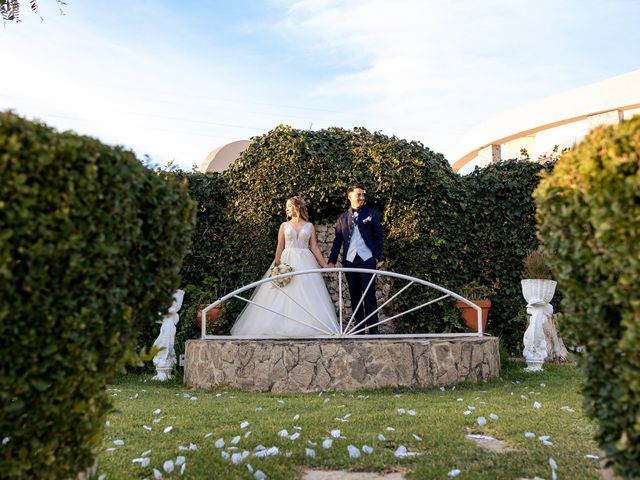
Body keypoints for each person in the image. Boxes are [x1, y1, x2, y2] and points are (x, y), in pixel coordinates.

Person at [230, 196, 340, 337]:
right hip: (287, 260)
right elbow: (279, 247)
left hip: (306, 262)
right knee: (284, 292)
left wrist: (324, 265)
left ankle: (309, 326)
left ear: (297, 207)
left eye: (289, 206)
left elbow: (315, 247)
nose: (287, 209)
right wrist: (276, 267)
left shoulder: (309, 226)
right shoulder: (284, 226)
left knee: (307, 292)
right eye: (286, 207)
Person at [327, 183, 384, 334]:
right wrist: (332, 261)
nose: (362, 197)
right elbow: (337, 241)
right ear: (350, 196)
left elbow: (379, 236)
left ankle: (373, 331)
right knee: (355, 295)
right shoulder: (342, 218)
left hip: (367, 259)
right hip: (350, 260)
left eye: (363, 194)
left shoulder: (371, 214)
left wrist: (377, 256)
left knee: (369, 295)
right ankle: (358, 330)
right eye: (358, 194)